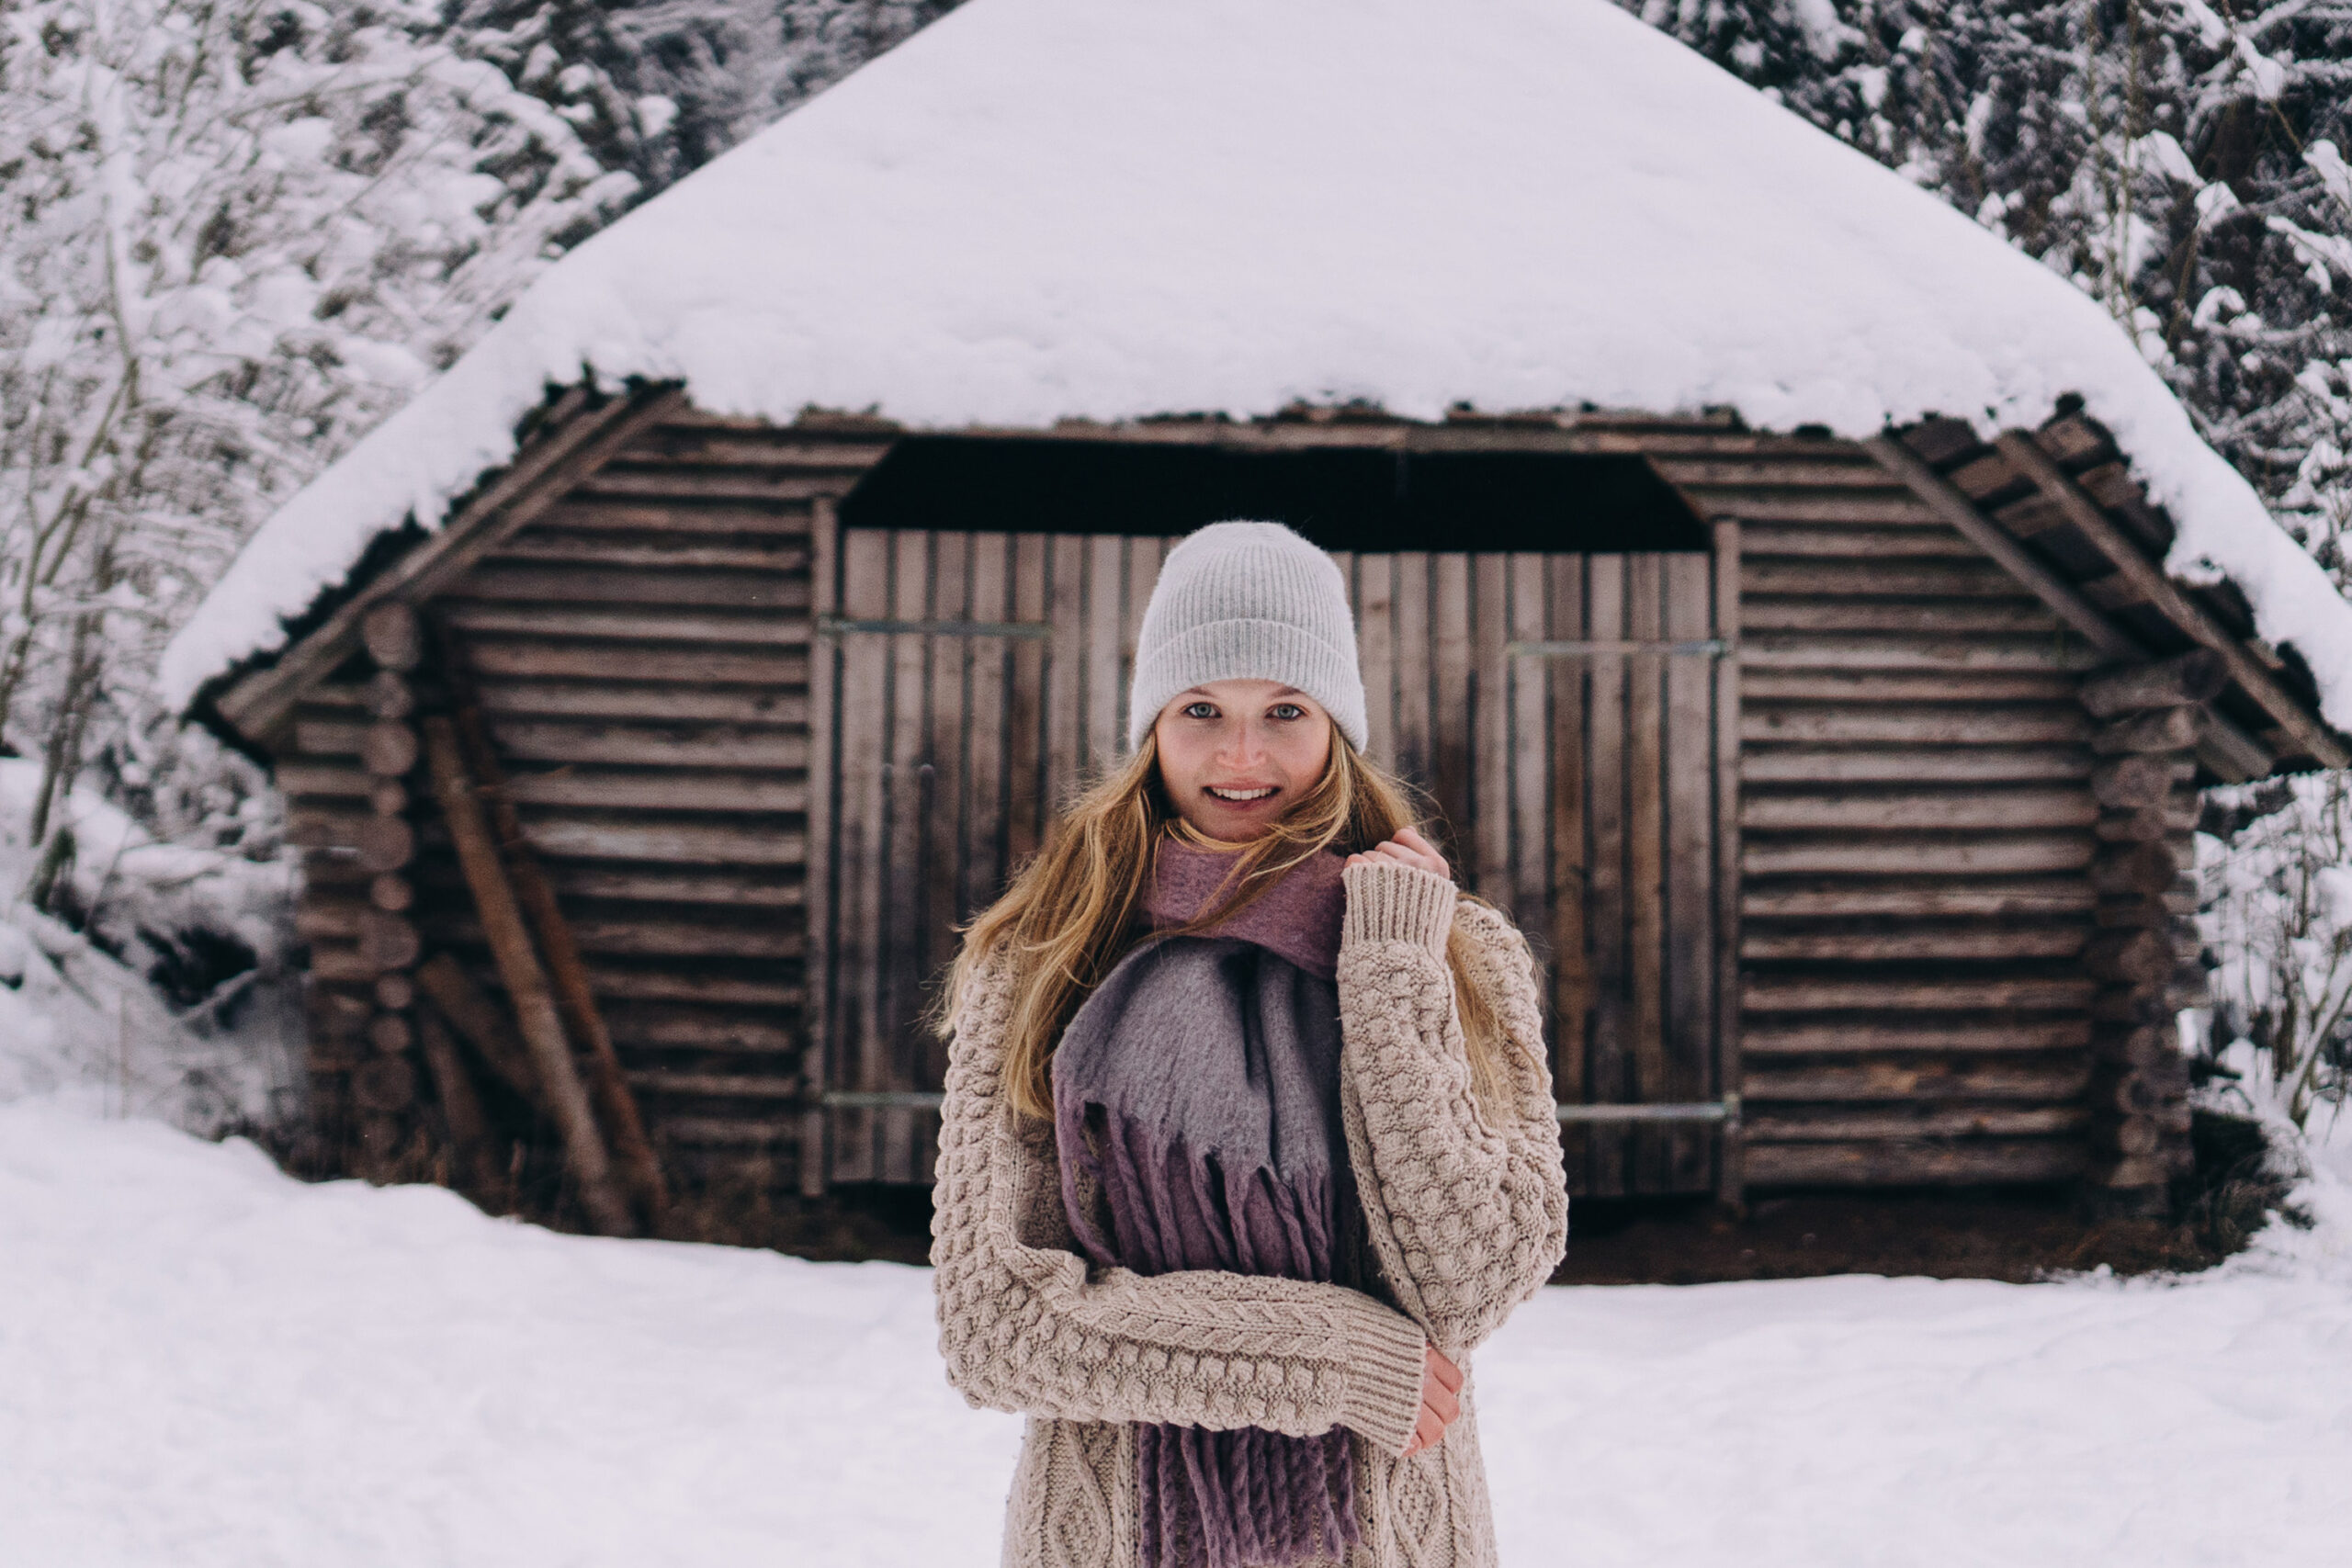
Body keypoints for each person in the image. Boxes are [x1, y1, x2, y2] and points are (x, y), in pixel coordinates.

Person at [930, 521, 1568, 1568]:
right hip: (1114, 1539)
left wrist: (1389, 977)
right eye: (1201, 712)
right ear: (1152, 729)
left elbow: (1471, 1281)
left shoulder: (1451, 954)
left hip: (1388, 1541)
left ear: (1337, 728)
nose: (1242, 755)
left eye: (1283, 710)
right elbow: (996, 1331)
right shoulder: (1043, 957)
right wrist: (1334, 1354)